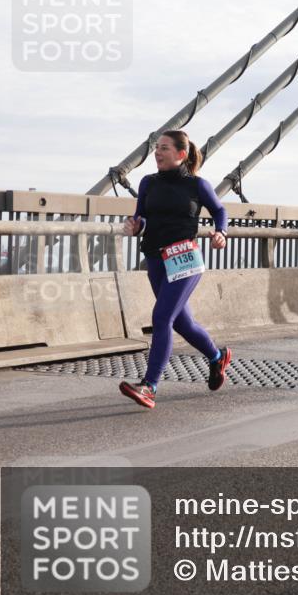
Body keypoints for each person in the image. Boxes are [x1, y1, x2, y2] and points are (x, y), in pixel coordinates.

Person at [119, 130, 232, 409]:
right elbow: (141, 215)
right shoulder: (148, 183)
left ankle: (149, 386)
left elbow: (219, 211)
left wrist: (221, 232)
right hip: (155, 258)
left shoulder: (197, 185)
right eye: (157, 148)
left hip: (184, 259)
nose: (158, 153)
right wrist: (135, 225)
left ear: (181, 154)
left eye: (165, 148)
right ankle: (217, 357)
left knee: (161, 317)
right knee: (181, 323)